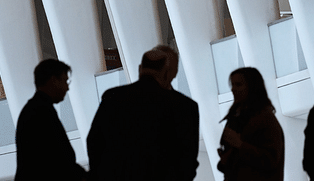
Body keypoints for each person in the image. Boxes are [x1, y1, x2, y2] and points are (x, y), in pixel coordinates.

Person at [87, 46, 199, 181]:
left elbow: (94, 142)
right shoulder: (184, 106)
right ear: (169, 73)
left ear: (140, 69)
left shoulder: (113, 97)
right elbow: (187, 158)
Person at [15, 59, 87, 181]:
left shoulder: (33, 109)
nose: (67, 88)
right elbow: (58, 159)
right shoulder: (41, 111)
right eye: (65, 81)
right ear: (54, 80)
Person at [217, 67, 284, 181]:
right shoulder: (237, 118)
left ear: (252, 87)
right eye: (232, 85)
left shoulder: (265, 120)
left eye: (238, 85)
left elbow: (270, 160)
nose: (233, 89)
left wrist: (239, 145)